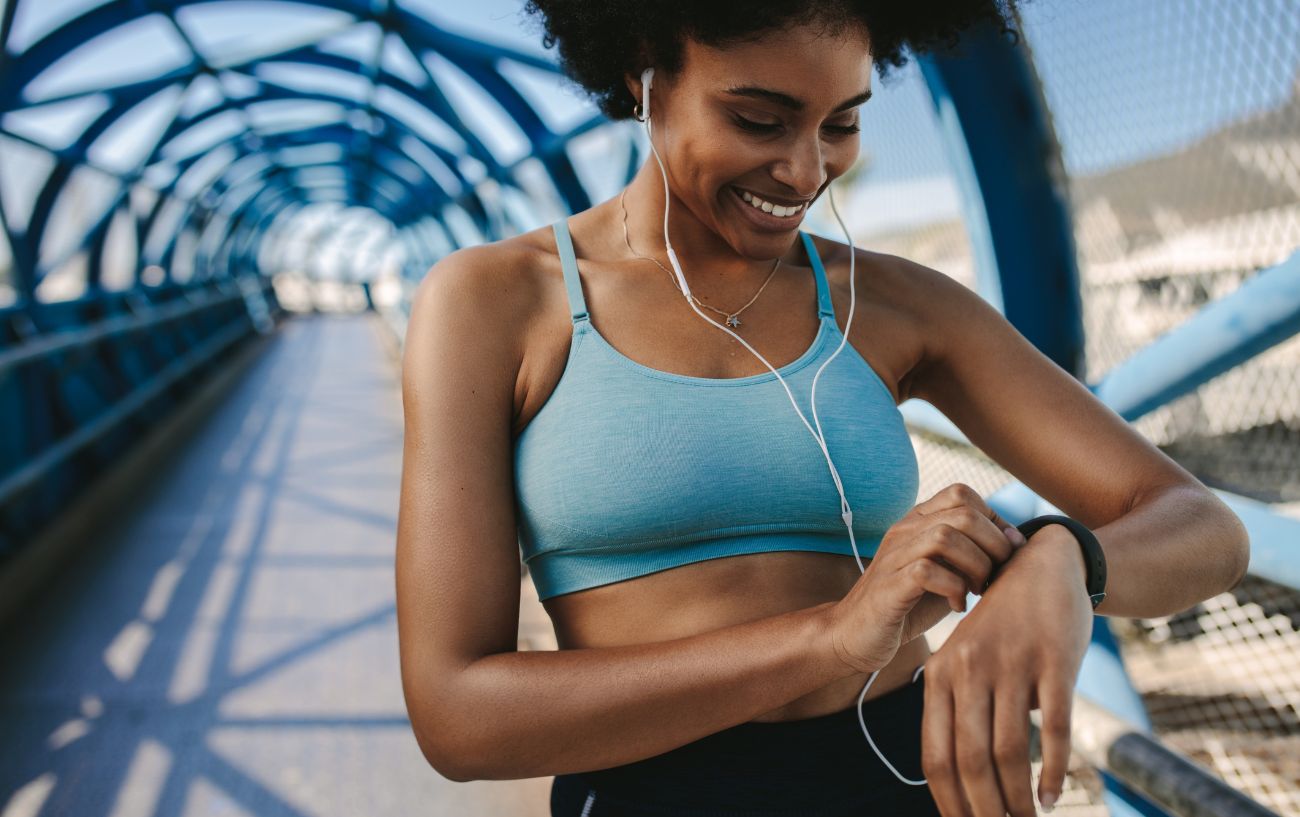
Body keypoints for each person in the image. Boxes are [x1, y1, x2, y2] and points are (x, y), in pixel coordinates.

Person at [395, 2, 1251, 816]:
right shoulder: (495, 304)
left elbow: (1203, 527)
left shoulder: (894, 303)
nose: (806, 170)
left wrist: (1061, 557)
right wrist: (833, 638)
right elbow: (457, 713)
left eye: (840, 123)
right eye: (759, 120)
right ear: (641, 74)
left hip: (909, 784)